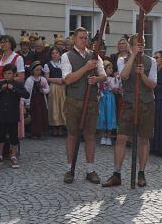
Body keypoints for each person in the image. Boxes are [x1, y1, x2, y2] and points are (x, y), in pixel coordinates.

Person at [102, 34, 157, 188]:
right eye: (137, 44)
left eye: (143, 43)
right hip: (129, 102)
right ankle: (116, 173)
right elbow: (124, 76)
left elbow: (153, 85)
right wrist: (133, 56)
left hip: (146, 103)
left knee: (144, 139)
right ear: (131, 46)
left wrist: (142, 75)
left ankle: (141, 173)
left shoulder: (151, 61)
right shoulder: (122, 60)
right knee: (121, 138)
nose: (141, 46)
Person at [61, 27, 106, 184]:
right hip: (74, 100)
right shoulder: (66, 56)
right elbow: (68, 79)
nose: (84, 40)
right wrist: (86, 68)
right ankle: (70, 169)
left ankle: (90, 169)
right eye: (81, 37)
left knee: (90, 135)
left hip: (91, 101)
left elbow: (104, 76)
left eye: (86, 37)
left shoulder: (95, 56)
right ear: (74, 39)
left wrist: (97, 79)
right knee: (72, 135)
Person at [0, 64, 29, 168]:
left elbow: (26, 94)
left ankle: (13, 156)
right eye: (5, 73)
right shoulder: (0, 84)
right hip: (1, 114)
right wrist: (1, 90)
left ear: (14, 74)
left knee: (13, 136)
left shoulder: (17, 84)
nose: (7, 75)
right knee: (0, 136)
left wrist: (13, 89)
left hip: (12, 115)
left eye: (9, 73)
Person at [44, 46, 66, 136]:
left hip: (63, 87)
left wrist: (63, 80)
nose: (55, 55)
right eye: (53, 53)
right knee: (54, 106)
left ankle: (61, 127)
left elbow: (67, 75)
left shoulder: (64, 64)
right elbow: (46, 78)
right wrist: (56, 80)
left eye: (56, 53)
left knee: (62, 106)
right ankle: (54, 127)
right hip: (53, 87)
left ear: (60, 54)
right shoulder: (47, 65)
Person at [25, 61, 50, 138]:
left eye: (40, 70)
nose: (39, 71)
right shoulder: (29, 80)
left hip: (41, 100)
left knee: (41, 115)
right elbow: (26, 92)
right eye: (37, 70)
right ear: (33, 70)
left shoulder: (43, 79)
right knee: (34, 116)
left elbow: (48, 88)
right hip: (33, 101)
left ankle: (41, 132)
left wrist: (44, 91)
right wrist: (27, 103)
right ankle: (34, 132)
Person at [98, 60, 119, 146]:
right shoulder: (100, 78)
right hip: (102, 98)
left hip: (110, 99)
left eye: (112, 68)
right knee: (102, 116)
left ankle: (109, 136)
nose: (111, 70)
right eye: (109, 68)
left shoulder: (114, 79)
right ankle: (103, 136)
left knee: (110, 116)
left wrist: (114, 87)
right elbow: (98, 88)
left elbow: (117, 91)